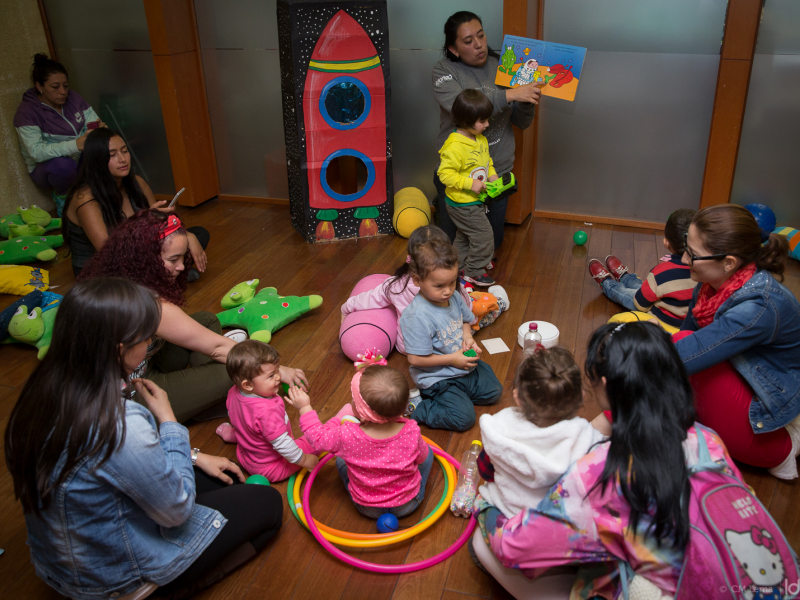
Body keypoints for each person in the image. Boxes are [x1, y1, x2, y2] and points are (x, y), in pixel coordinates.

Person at [4, 277, 283, 600]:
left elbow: (108, 464)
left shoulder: (43, 388)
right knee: (268, 506)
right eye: (148, 338)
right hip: (112, 579)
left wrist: (193, 457)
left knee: (228, 480)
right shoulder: (120, 422)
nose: (151, 343)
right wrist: (168, 421)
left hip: (67, 560)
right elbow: (175, 511)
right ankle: (157, 592)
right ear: (121, 349)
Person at [471, 322, 744, 599]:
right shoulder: (708, 440)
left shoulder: (598, 470)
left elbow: (514, 547)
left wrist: (484, 507)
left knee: (482, 545)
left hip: (660, 587)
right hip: (743, 575)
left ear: (603, 385)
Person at [80, 209, 308, 423]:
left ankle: (198, 394)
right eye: (173, 260)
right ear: (145, 258)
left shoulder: (123, 278)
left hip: (144, 361)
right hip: (131, 393)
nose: (181, 267)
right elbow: (217, 347)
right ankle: (200, 402)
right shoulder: (147, 304)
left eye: (183, 258)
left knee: (207, 319)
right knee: (236, 373)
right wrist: (276, 370)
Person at [673, 204, 800, 480]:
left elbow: (684, 353)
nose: (683, 259)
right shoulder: (711, 283)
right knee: (675, 347)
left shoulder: (759, 305)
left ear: (729, 262)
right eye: (686, 247)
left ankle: (785, 451)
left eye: (692, 255)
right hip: (748, 384)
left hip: (774, 418)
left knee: (675, 351)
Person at [432, 11, 540, 259]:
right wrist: (511, 94)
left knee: (491, 245)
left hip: (495, 174)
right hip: (459, 176)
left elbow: (521, 123)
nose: (479, 45)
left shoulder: (506, 65)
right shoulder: (443, 71)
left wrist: (527, 99)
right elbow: (465, 109)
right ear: (454, 49)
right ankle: (440, 205)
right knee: (451, 250)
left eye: (481, 35)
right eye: (468, 41)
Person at [287, 365, 435, 518]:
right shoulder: (411, 431)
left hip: (367, 507)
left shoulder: (346, 435)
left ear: (362, 414)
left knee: (340, 460)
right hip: (408, 504)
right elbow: (422, 458)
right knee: (427, 453)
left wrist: (305, 407)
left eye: (354, 401)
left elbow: (317, 438)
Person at [476, 346, 606, 519]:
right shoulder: (584, 438)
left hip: (508, 513)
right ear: (581, 396)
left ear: (517, 397)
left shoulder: (500, 426)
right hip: (552, 521)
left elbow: (485, 470)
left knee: (480, 504)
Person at [63, 127, 209, 278]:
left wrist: (185, 234)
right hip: (102, 269)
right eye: (112, 155)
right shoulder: (86, 199)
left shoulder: (136, 183)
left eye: (124, 151)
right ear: (97, 160)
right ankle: (171, 272)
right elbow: (108, 251)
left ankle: (168, 271)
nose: (122, 159)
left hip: (136, 254)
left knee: (198, 234)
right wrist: (144, 220)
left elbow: (159, 229)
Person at [398, 235, 502, 431]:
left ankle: (458, 395)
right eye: (439, 286)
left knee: (495, 392)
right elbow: (415, 360)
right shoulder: (416, 316)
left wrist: (468, 337)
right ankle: (419, 406)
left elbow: (464, 320)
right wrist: (452, 359)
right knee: (463, 419)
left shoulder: (453, 296)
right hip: (438, 377)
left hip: (460, 366)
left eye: (452, 282)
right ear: (417, 280)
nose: (447, 291)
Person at [341, 226, 491, 353]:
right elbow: (467, 308)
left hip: (408, 347)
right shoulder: (453, 287)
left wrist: (346, 307)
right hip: (447, 346)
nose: (447, 291)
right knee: (484, 308)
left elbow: (369, 298)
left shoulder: (395, 285)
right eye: (439, 285)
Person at [215, 340, 319, 482]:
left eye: (277, 371)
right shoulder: (268, 410)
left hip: (245, 455)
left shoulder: (234, 392)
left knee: (244, 426)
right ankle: (338, 419)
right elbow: (283, 445)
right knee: (316, 441)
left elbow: (236, 417)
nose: (278, 377)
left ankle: (230, 435)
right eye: (271, 376)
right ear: (248, 385)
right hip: (271, 467)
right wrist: (304, 460)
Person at [13, 53, 102, 216]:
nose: (63, 92)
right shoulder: (27, 112)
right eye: (55, 87)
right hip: (49, 168)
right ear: (39, 86)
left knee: (104, 147)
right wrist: (76, 144)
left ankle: (94, 196)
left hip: (79, 158)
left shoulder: (74, 98)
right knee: (63, 165)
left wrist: (98, 130)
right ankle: (63, 197)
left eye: (65, 86)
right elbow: (36, 152)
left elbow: (94, 122)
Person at [589, 208, 697, 333]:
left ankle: (607, 283)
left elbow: (640, 304)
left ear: (666, 243)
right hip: (683, 321)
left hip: (660, 317)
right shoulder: (703, 272)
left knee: (627, 294)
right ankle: (625, 277)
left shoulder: (661, 272)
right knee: (650, 289)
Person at [438, 89, 499, 287]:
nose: (487, 124)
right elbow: (445, 174)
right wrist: (471, 184)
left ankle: (457, 266)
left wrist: (492, 175)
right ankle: (474, 271)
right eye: (483, 121)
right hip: (461, 203)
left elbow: (487, 160)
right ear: (467, 121)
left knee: (465, 237)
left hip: (474, 201)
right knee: (483, 235)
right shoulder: (455, 146)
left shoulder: (480, 139)